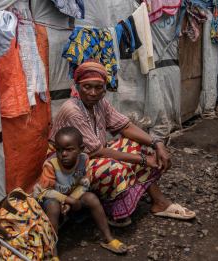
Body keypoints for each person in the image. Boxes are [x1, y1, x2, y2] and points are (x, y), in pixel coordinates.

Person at [49, 61, 195, 226]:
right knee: (115, 167)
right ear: (77, 87)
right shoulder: (72, 110)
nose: (92, 93)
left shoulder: (100, 104)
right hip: (66, 169)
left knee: (135, 146)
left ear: (105, 89)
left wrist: (157, 143)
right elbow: (98, 152)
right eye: (87, 87)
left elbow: (125, 126)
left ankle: (159, 202)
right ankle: (114, 211)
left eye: (98, 88)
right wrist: (143, 160)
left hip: (88, 158)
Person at [34, 126, 128, 254]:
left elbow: (84, 183)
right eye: (59, 150)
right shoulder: (51, 165)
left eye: (69, 149)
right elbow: (44, 191)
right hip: (50, 200)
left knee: (91, 198)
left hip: (71, 197)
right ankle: (52, 253)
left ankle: (108, 239)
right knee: (53, 206)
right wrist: (68, 200)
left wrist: (71, 200)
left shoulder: (84, 159)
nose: (64, 154)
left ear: (81, 149)